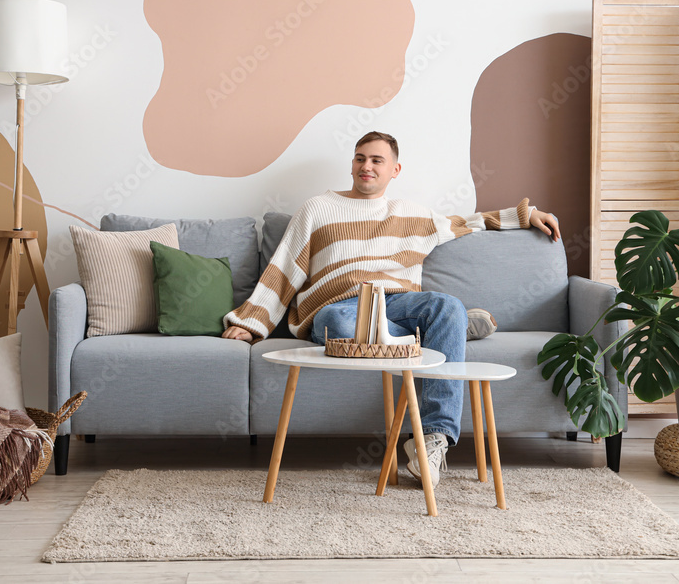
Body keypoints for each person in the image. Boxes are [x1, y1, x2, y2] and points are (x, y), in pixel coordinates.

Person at [222, 131, 561, 486]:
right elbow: (284, 269)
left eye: (375, 160)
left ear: (395, 169)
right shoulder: (317, 209)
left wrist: (527, 214)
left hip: (398, 302)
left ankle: (431, 439)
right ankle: (448, 331)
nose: (365, 166)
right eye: (359, 158)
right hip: (339, 306)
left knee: (446, 305)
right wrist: (252, 322)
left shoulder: (412, 215)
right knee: (338, 325)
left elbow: (468, 223)